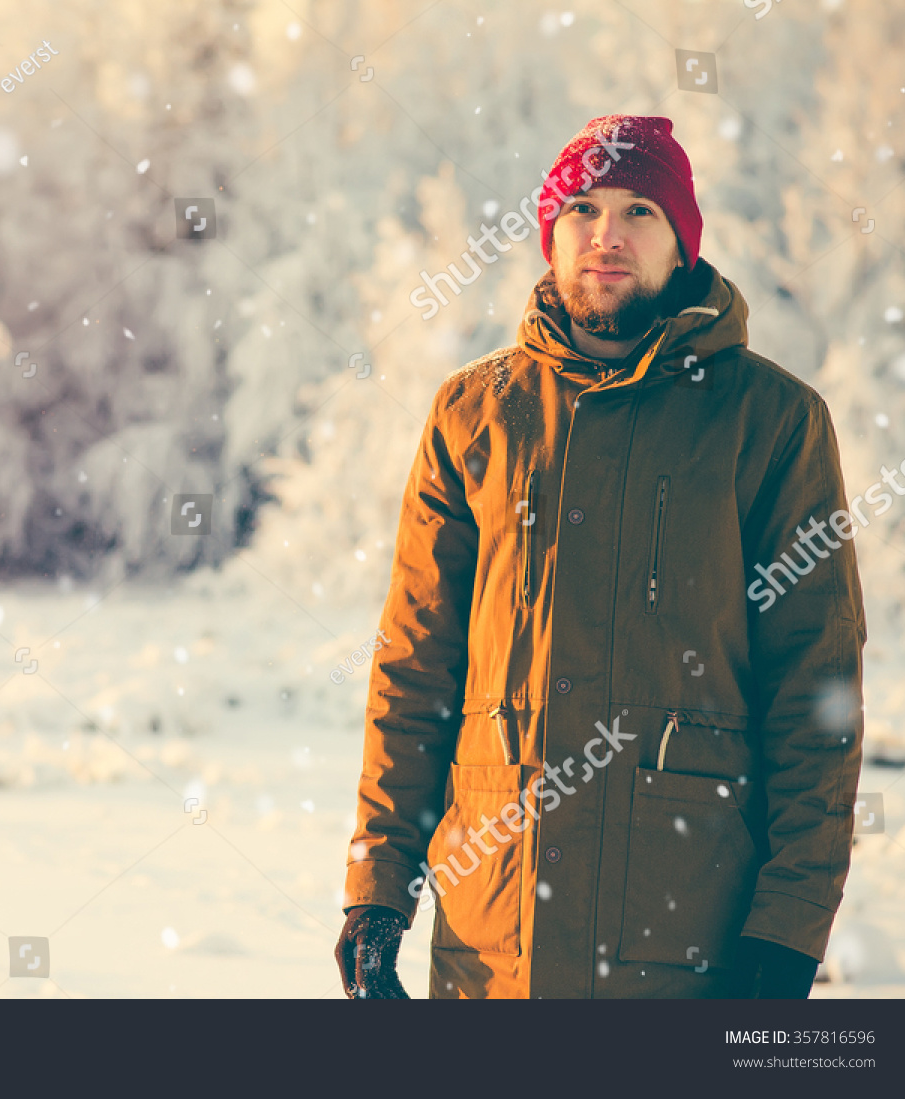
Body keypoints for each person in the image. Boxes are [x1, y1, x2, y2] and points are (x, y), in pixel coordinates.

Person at [335, 115, 867, 999]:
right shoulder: (475, 414)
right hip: (492, 944)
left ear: (682, 241)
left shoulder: (772, 422)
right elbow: (414, 668)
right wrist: (377, 892)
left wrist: (788, 928)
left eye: (640, 211)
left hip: (685, 943)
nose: (607, 235)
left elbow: (816, 691)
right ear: (551, 231)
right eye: (582, 207)